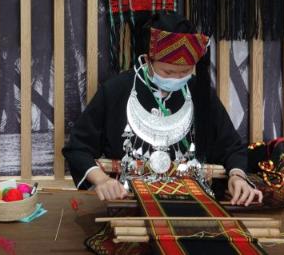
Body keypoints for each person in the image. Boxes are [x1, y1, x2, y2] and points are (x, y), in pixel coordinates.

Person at [62, 11, 263, 206]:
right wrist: (102, 180)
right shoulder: (115, 90)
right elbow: (78, 148)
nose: (176, 78)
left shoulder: (200, 93)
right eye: (167, 72)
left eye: (185, 72)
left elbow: (231, 147)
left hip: (193, 203)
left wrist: (237, 177)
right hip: (127, 202)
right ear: (148, 59)